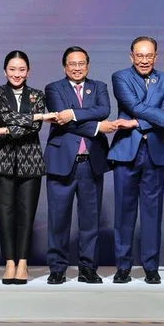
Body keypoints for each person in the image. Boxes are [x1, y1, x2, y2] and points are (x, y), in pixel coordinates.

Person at [109, 36, 164, 284]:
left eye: (149, 56)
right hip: (126, 152)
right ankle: (123, 267)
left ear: (156, 56)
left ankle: (151, 267)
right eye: (140, 55)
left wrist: (136, 122)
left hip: (155, 152)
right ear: (131, 56)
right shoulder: (120, 77)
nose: (144, 60)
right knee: (123, 213)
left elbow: (163, 110)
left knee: (152, 213)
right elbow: (135, 106)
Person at [0, 51, 56, 284]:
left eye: (21, 69)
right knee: (4, 213)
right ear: (5, 71)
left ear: (28, 72)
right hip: (0, 159)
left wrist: (6, 130)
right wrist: (38, 117)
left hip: (30, 159)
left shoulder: (37, 95)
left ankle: (22, 262)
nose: (16, 74)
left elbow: (33, 129)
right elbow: (2, 116)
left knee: (26, 213)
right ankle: (9, 262)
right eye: (12, 69)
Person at [43, 46, 115, 285]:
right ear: (65, 67)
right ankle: (57, 268)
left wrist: (72, 114)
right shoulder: (54, 88)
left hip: (91, 162)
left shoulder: (99, 87)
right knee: (58, 219)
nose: (77, 68)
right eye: (72, 64)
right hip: (62, 162)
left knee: (90, 221)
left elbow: (104, 110)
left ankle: (87, 268)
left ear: (88, 65)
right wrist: (97, 126)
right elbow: (60, 120)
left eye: (81, 63)